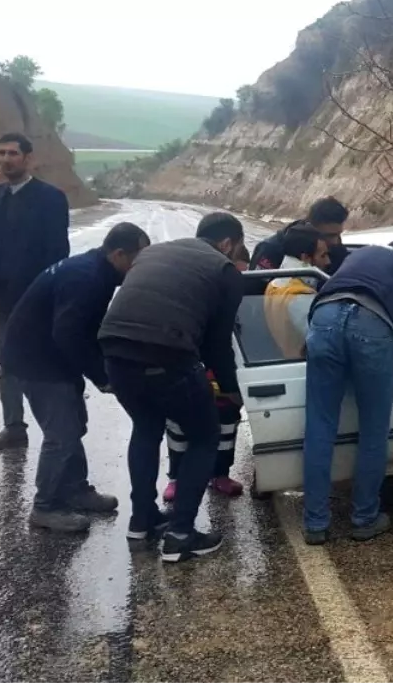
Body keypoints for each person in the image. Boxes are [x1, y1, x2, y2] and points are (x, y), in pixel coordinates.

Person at [99, 212, 246, 563]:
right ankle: (181, 534)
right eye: (237, 247)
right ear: (228, 243)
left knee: (146, 428)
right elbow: (217, 345)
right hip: (168, 354)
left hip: (114, 351)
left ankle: (142, 521)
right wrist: (230, 389)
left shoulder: (153, 252)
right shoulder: (224, 270)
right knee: (205, 436)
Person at [0, 223, 151, 532]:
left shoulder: (99, 271)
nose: (140, 267)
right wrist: (101, 376)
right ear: (119, 254)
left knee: (74, 424)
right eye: (138, 259)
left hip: (53, 356)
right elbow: (68, 334)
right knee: (62, 435)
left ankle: (75, 490)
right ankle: (44, 508)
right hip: (37, 360)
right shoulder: (87, 277)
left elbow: (85, 329)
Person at [302, 239, 393, 546]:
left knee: (319, 426)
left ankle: (315, 523)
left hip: (323, 317)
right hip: (372, 326)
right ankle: (364, 518)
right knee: (373, 432)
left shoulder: (359, 255)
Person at [0, 132, 71, 453]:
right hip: (2, 297)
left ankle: (58, 430)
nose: (6, 158)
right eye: (2, 152)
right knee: (7, 363)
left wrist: (49, 293)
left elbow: (58, 250)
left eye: (13, 153)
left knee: (39, 363)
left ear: (28, 159)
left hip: (34, 297)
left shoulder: (50, 197)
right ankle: (13, 427)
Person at [162, 248, 252, 502]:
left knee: (226, 427)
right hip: (189, 371)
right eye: (237, 272)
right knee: (178, 428)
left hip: (224, 378)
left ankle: (220, 475)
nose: (239, 280)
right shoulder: (196, 295)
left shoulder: (242, 300)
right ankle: (176, 478)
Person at [264, 223, 330, 359]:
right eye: (323, 255)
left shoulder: (274, 285)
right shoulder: (300, 296)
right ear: (305, 257)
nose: (328, 261)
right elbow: (325, 343)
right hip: (300, 366)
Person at [250, 196, 349, 273]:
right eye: (329, 236)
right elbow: (253, 293)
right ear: (310, 226)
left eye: (338, 234)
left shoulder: (336, 248)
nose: (335, 241)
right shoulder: (271, 250)